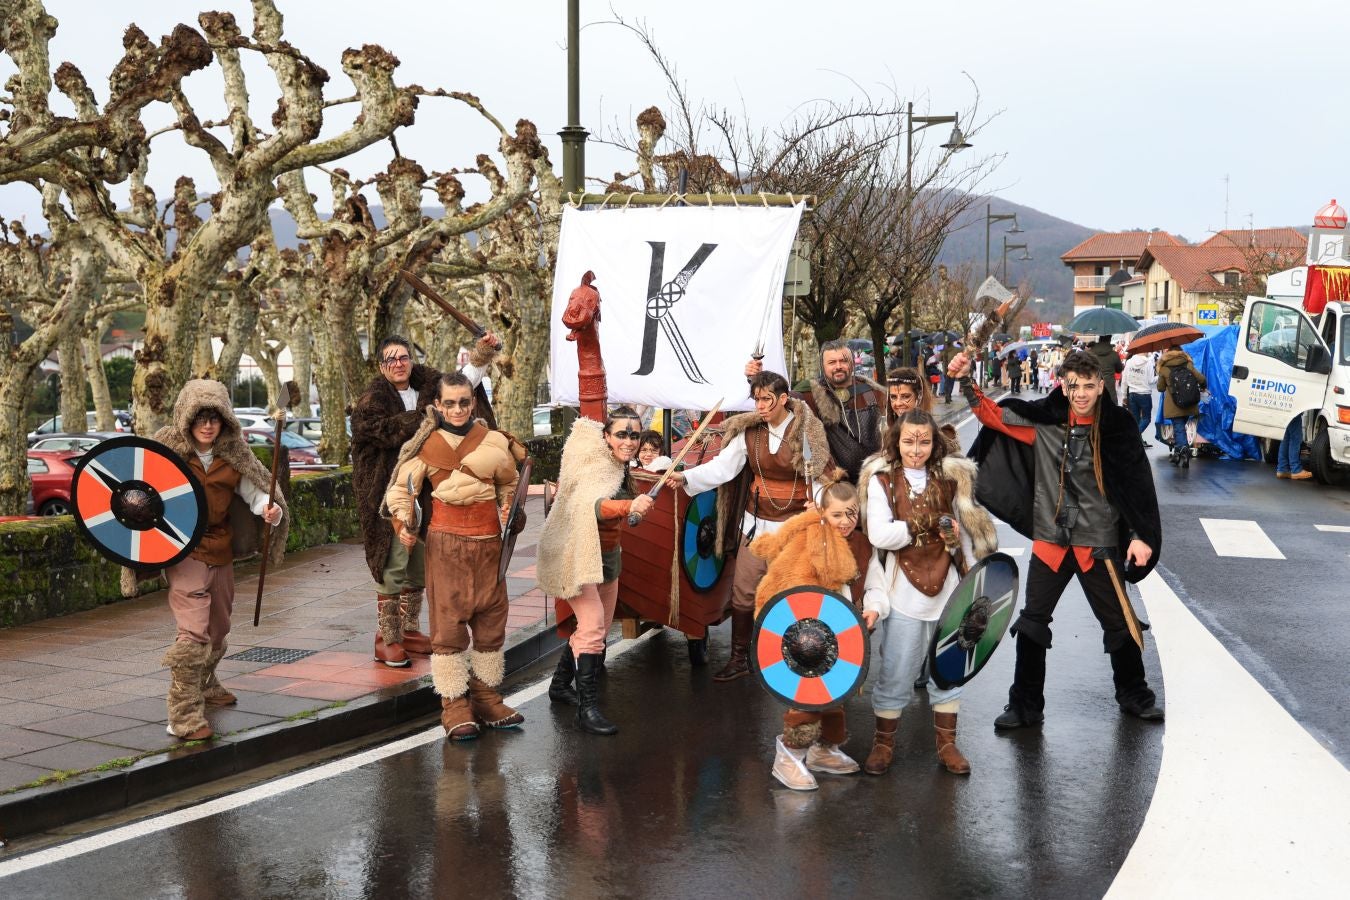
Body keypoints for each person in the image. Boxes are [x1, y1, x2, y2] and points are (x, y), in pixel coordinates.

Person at [949, 350, 1165, 729]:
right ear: (1062, 385)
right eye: (1073, 385)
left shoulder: (1118, 427)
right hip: (1052, 541)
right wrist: (966, 381)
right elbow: (991, 415)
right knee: (1033, 621)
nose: (1080, 392)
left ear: (1101, 385)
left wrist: (1138, 535)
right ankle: (1025, 705)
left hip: (1097, 541)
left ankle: (1134, 694)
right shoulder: (1044, 423)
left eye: (1087, 385)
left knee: (1118, 622)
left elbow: (1135, 487)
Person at [382, 373, 527, 740]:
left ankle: (486, 696)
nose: (458, 409)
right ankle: (454, 704)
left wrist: (511, 505)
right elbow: (400, 492)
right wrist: (405, 522)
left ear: (473, 403)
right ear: (437, 406)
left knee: (492, 622)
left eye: (464, 402)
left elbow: (510, 483)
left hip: (490, 542)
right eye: (450, 403)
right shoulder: (427, 445)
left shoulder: (495, 442)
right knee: (448, 627)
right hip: (446, 545)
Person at [665, 371, 834, 682]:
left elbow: (819, 476)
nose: (760, 405)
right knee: (743, 593)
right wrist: (686, 477)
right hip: (755, 527)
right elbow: (723, 467)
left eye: (767, 399)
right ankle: (740, 657)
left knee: (792, 595)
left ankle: (794, 658)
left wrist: (820, 504)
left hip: (793, 529)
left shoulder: (806, 432)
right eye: (756, 399)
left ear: (784, 399)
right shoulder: (750, 432)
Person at [857, 409, 998, 776]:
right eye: (908, 441)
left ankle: (947, 744)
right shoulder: (881, 481)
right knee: (896, 671)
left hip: (948, 588)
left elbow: (963, 535)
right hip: (902, 589)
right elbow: (879, 535)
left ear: (934, 443)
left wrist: (961, 558)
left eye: (924, 441)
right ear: (896, 442)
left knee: (949, 667)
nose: (916, 450)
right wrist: (926, 525)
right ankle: (883, 743)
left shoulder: (950, 480)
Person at [351, 332, 497, 668]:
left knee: (418, 559)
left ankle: (410, 629)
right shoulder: (371, 401)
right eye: (390, 359)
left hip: (427, 487)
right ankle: (386, 638)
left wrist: (481, 353)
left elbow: (463, 386)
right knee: (393, 560)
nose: (398, 364)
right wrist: (424, 418)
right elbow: (382, 432)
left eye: (403, 357)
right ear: (381, 365)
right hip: (387, 491)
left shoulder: (430, 385)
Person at [155, 380, 287, 741]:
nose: (207, 425)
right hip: (185, 551)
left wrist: (269, 510)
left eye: (214, 418)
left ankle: (208, 683)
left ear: (225, 420)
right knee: (193, 633)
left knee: (218, 629)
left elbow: (256, 492)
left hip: (221, 550)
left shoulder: (234, 455)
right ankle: (182, 716)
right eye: (200, 417)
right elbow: (142, 492)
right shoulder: (169, 453)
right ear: (188, 418)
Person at [747, 481, 872, 791]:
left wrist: (870, 610)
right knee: (805, 698)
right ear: (822, 514)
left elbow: (868, 583)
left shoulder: (858, 542)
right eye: (837, 515)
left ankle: (824, 750)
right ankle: (789, 756)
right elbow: (787, 592)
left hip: (837, 632)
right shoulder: (809, 542)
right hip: (806, 637)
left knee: (834, 695)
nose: (845, 521)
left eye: (851, 514)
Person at [538, 407, 655, 734]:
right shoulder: (594, 468)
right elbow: (592, 505)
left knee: (596, 631)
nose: (630, 441)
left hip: (605, 559)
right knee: (591, 630)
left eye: (634, 434)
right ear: (605, 436)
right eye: (621, 434)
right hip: (577, 559)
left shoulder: (619, 467)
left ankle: (560, 684)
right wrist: (628, 506)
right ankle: (587, 710)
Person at [748, 339, 884, 483]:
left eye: (843, 361)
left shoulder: (873, 392)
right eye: (832, 362)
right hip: (834, 483)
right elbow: (779, 400)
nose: (838, 366)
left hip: (875, 477)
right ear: (822, 366)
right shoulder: (811, 392)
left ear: (852, 363)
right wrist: (757, 380)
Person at [1155, 344, 1207, 469]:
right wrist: (1203, 387)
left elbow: (1160, 388)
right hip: (1189, 403)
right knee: (1180, 428)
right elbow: (1201, 379)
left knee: (1178, 429)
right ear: (1181, 352)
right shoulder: (1188, 364)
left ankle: (1184, 452)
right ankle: (1177, 454)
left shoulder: (1164, 368)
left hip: (1174, 405)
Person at [1121, 352, 1156, 448]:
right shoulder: (1148, 362)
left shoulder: (1129, 362)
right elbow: (1151, 380)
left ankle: (1136, 441)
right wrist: (1159, 376)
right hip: (1144, 394)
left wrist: (1124, 396)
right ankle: (1133, 437)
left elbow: (1124, 380)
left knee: (1136, 420)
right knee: (1146, 418)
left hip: (1132, 394)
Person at [1088, 335, 1125, 404]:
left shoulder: (1089, 353)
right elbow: (1119, 370)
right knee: (1110, 411)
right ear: (1109, 340)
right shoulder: (1114, 355)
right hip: (1109, 389)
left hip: (1093, 387)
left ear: (1099, 339)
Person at [1276, 414, 1313, 480]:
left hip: (1287, 409)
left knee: (1286, 437)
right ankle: (1296, 470)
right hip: (1295, 409)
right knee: (1295, 437)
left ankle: (1282, 469)